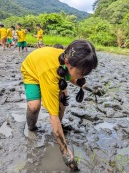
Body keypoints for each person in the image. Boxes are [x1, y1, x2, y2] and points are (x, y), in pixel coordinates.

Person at [21, 40, 98, 170]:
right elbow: (53, 115)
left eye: (86, 73)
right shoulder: (52, 73)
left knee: (62, 100)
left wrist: (87, 86)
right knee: (34, 106)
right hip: (33, 71)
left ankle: (59, 127)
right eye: (82, 73)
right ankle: (31, 127)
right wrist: (65, 152)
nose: (83, 76)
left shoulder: (69, 61)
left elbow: (72, 76)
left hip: (52, 70)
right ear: (68, 63)